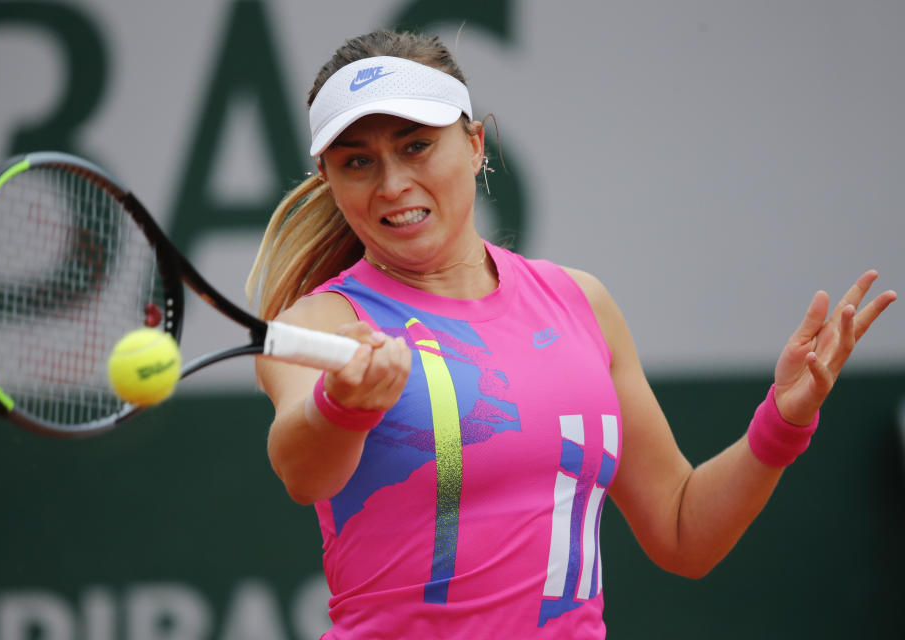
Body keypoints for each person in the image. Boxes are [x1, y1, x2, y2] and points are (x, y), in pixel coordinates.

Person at [245, 29, 896, 639]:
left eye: (416, 145)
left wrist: (781, 422)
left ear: (475, 146)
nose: (392, 184)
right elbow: (302, 471)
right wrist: (343, 406)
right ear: (330, 181)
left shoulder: (581, 302)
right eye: (358, 161)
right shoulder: (320, 326)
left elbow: (681, 531)